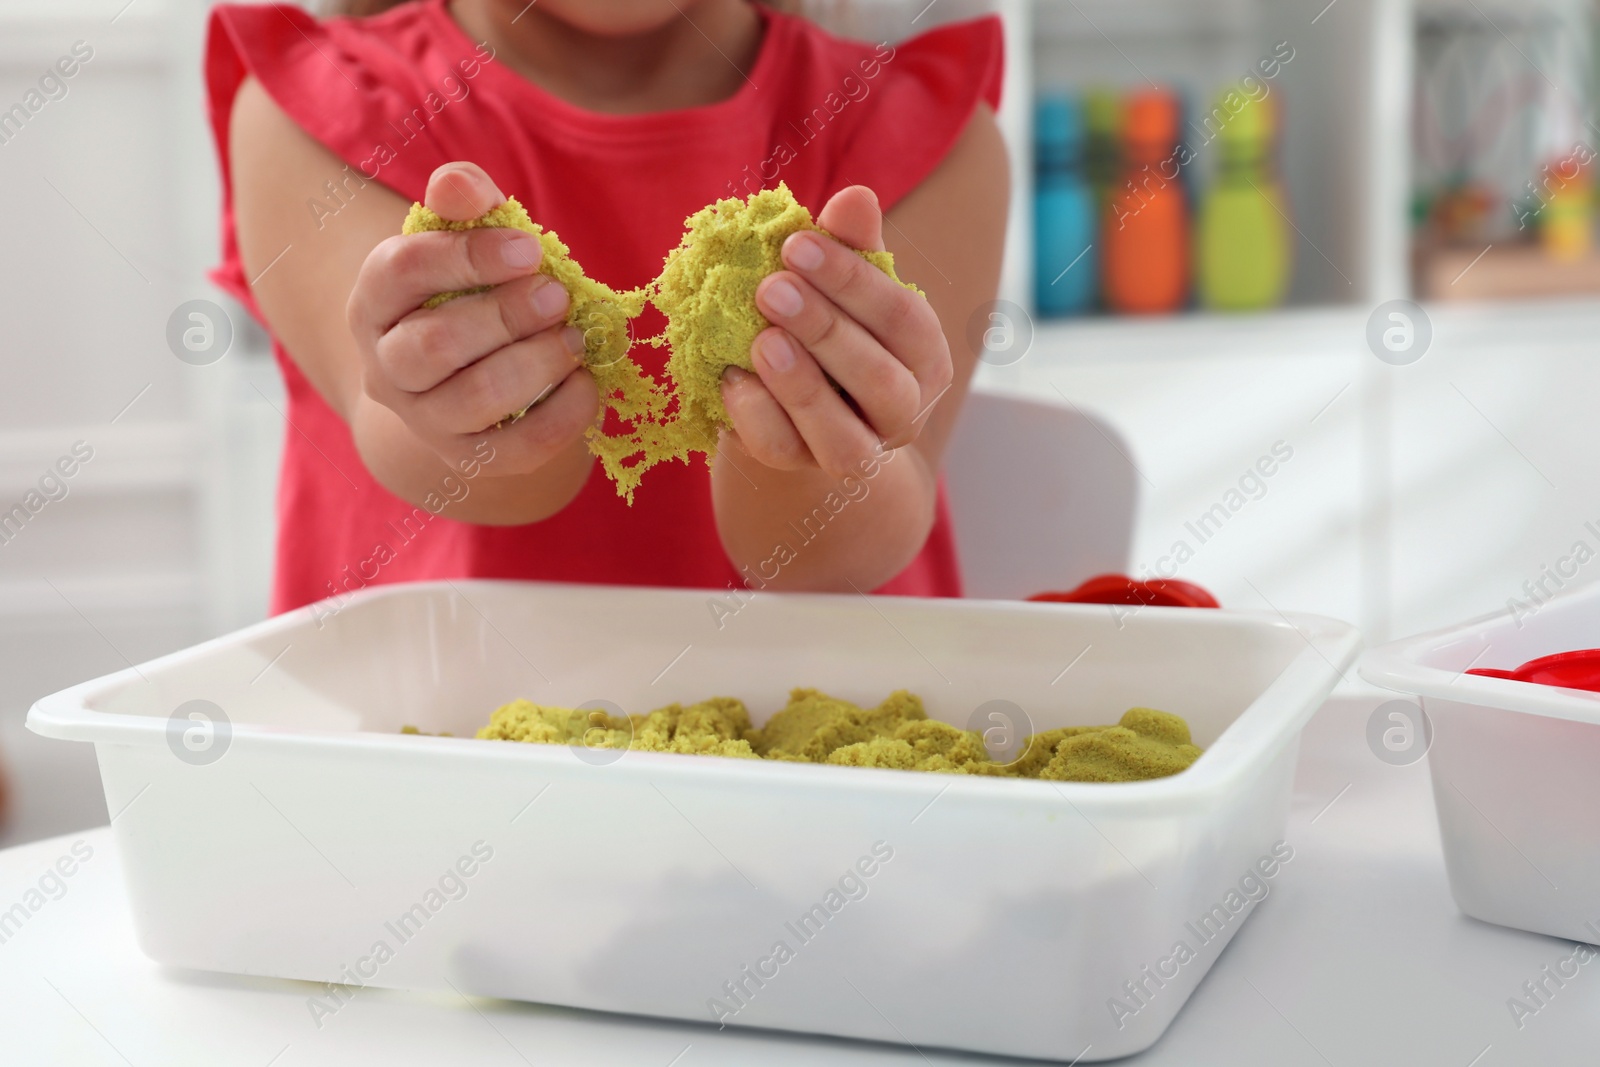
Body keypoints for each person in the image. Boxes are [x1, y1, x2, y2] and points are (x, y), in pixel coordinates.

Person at [206, 0, 1007, 614]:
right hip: (441, 758)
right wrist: (463, 387)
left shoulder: (920, 127)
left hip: (819, 771)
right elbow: (484, 476)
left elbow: (827, 556)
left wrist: (797, 434)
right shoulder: (317, 111)